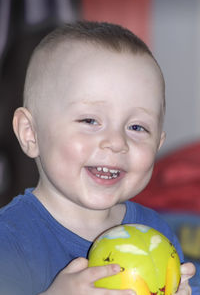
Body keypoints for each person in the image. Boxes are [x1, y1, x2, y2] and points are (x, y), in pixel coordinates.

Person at [0, 21, 196, 295]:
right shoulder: (10, 239)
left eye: (137, 127)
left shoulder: (156, 233)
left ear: (157, 144)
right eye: (90, 120)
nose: (116, 143)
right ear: (30, 133)